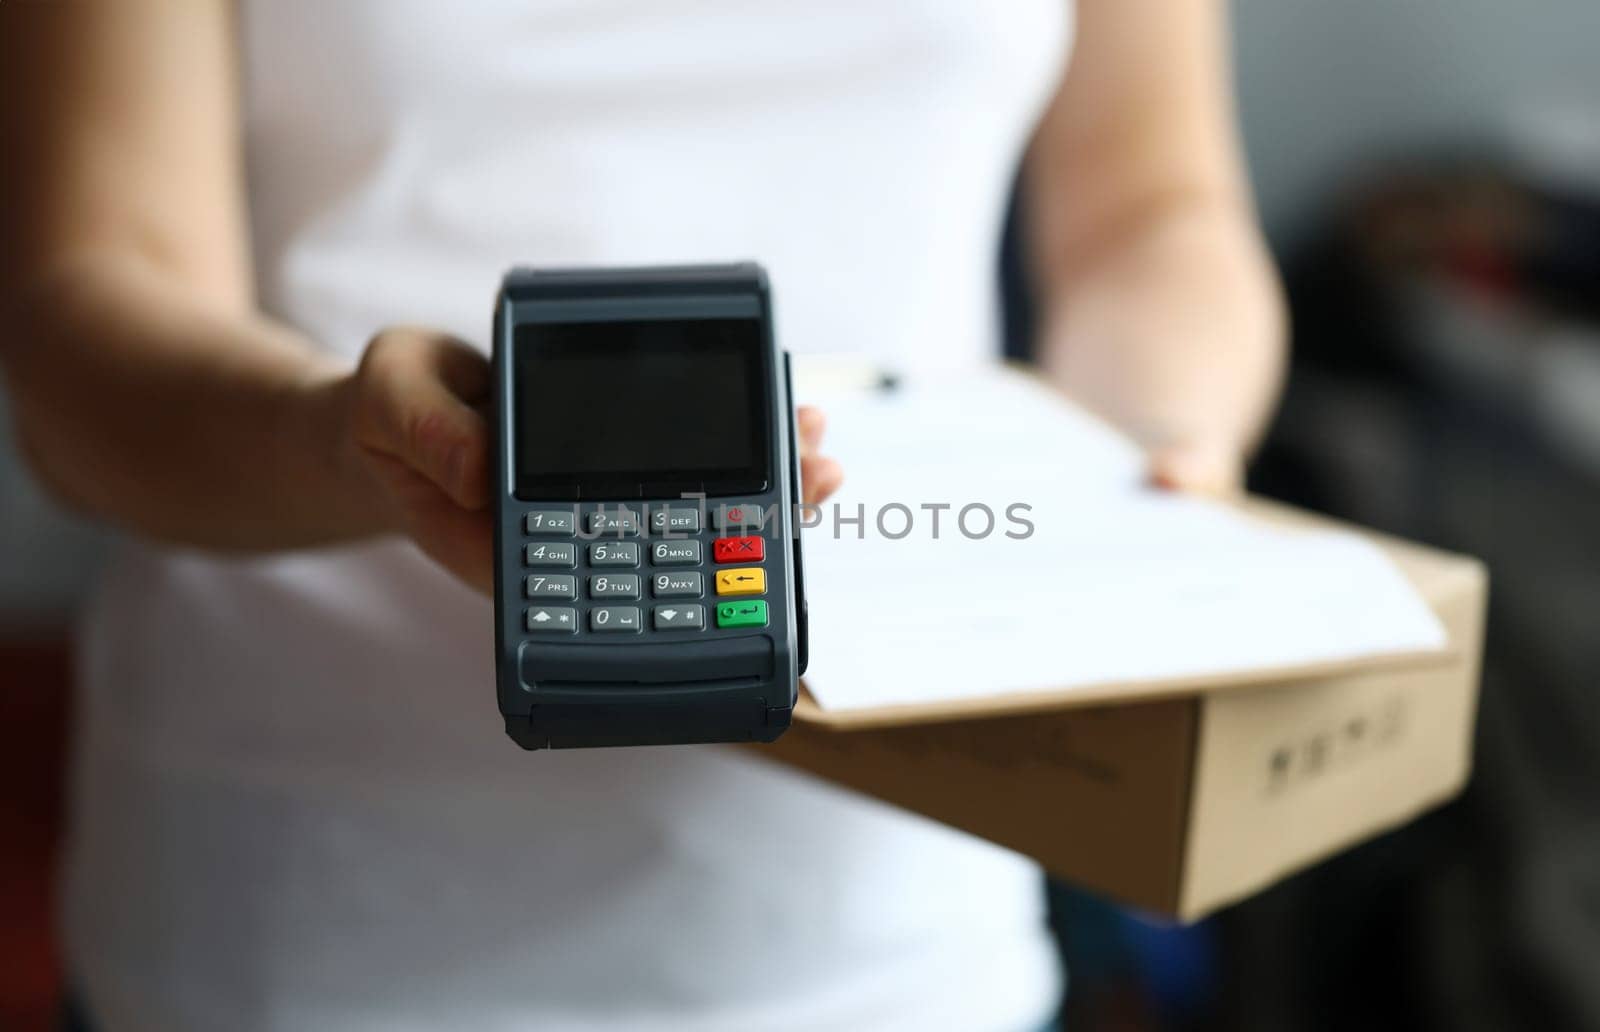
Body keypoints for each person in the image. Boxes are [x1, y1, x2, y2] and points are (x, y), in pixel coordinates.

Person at [0, 2, 1284, 1029]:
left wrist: (1152, 447)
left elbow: (1151, 210)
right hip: (298, 934)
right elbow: (85, 321)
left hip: (900, 936)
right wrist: (353, 451)